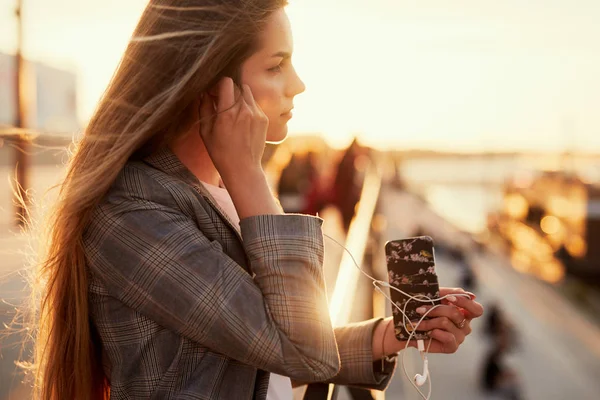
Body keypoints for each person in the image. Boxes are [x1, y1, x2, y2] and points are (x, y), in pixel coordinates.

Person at [26, 1, 484, 399]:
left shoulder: (216, 192)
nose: (298, 84)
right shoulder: (130, 215)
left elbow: (262, 340)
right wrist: (247, 173)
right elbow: (300, 346)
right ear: (211, 84)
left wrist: (391, 333)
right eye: (276, 65)